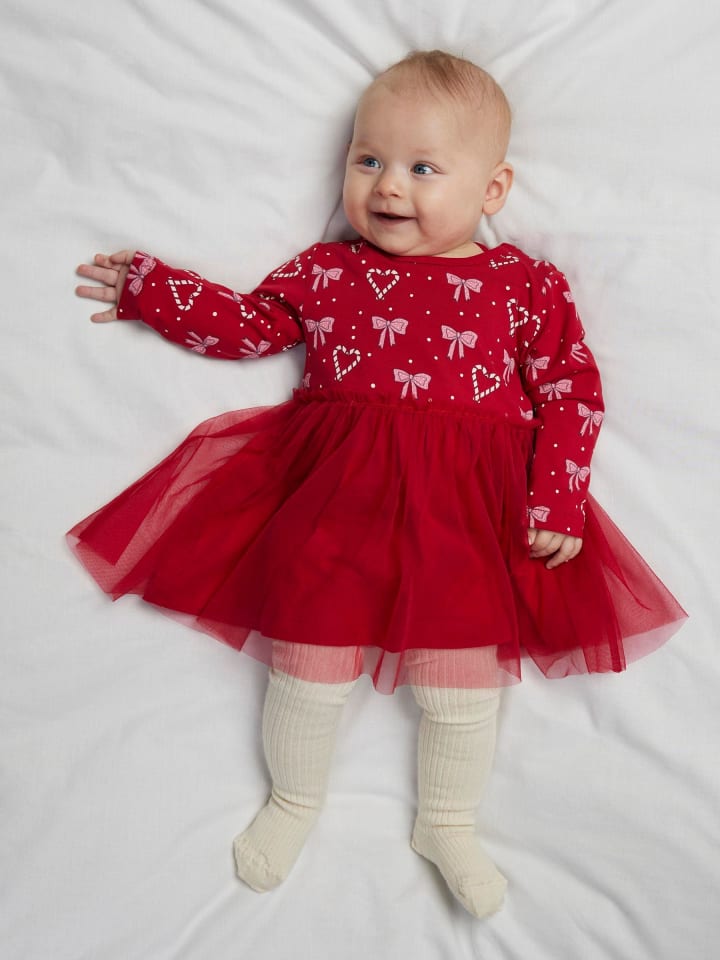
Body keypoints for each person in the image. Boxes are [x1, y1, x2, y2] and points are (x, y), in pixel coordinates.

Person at [71, 50, 686, 918]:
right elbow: (251, 326)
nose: (389, 185)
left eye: (424, 168)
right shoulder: (328, 271)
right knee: (307, 667)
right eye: (369, 160)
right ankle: (294, 800)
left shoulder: (522, 285)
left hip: (467, 516)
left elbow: (570, 390)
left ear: (492, 190)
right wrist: (156, 290)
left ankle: (448, 821)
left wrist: (556, 498)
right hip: (337, 503)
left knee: (460, 686)